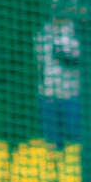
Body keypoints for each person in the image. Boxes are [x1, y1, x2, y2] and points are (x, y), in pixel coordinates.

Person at [36, 8, 84, 146]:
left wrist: (63, 55)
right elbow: (40, 62)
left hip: (70, 92)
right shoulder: (43, 33)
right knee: (51, 137)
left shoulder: (74, 33)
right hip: (49, 92)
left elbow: (79, 60)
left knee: (74, 134)